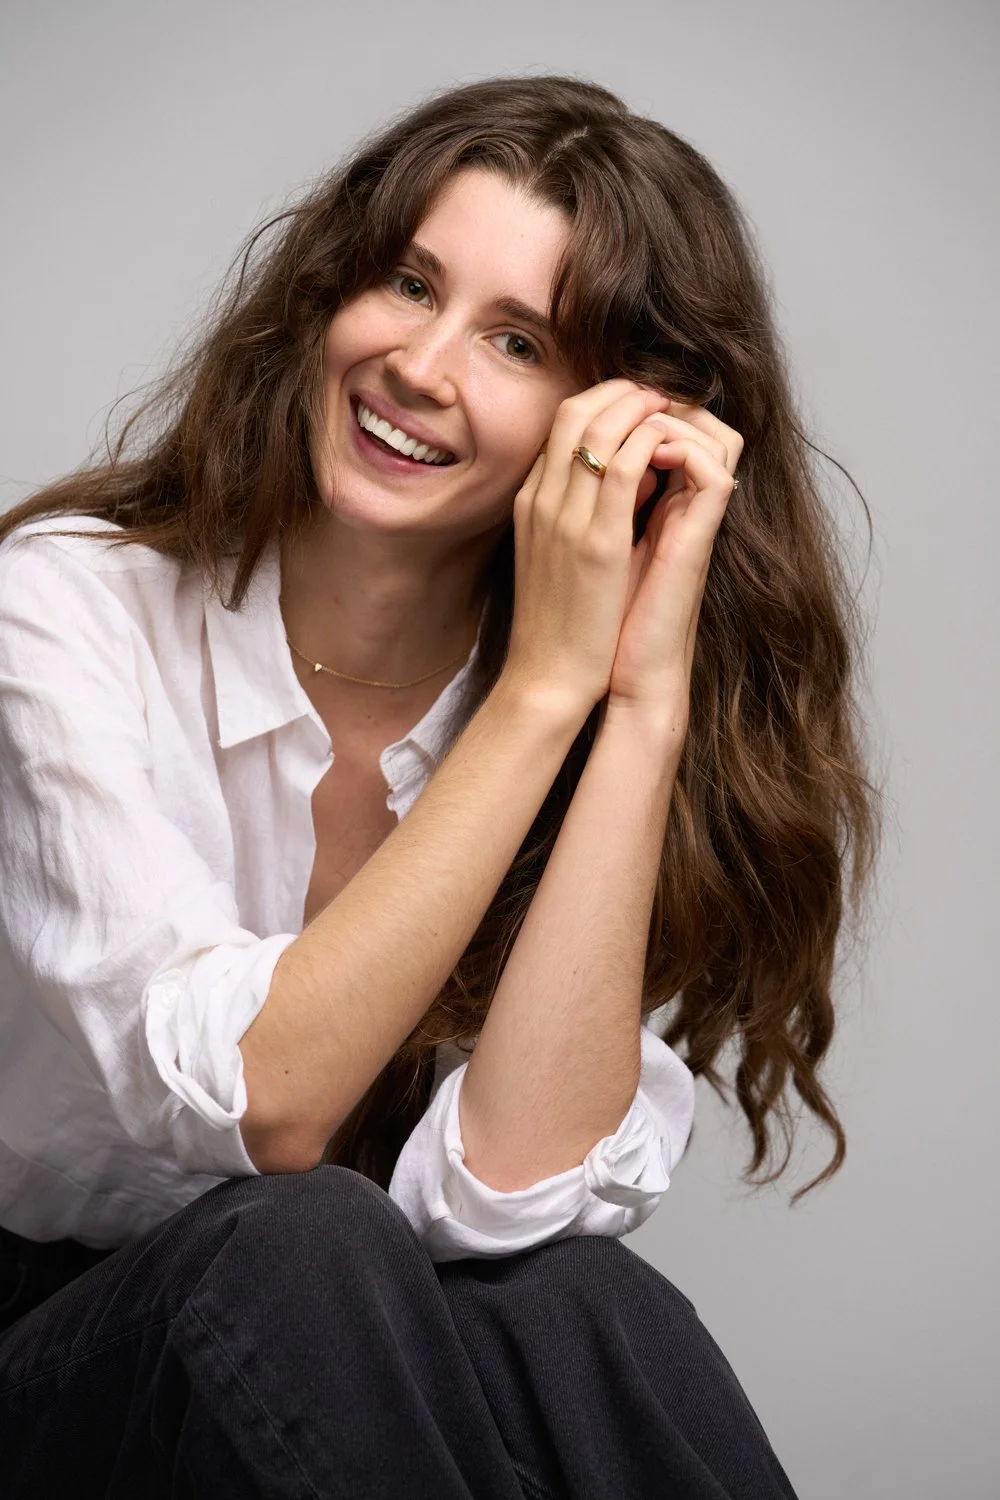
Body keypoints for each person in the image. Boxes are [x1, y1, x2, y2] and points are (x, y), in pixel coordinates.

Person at [0, 73, 878, 1497]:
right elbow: (263, 1102)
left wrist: (638, 699)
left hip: (331, 1375)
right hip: (53, 1364)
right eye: (408, 284)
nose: (419, 364)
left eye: (517, 339)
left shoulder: (570, 716)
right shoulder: (65, 612)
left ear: (616, 428)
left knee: (585, 1302)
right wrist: (542, 695)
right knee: (306, 1233)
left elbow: (511, 1195)